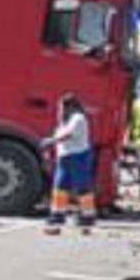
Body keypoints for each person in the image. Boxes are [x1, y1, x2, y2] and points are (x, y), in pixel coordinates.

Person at [41, 93, 95, 235]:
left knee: (82, 187)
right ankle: (57, 215)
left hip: (78, 156)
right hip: (65, 158)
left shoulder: (78, 118)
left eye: (62, 107)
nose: (60, 111)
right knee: (60, 187)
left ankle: (87, 216)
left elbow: (68, 135)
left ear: (70, 107)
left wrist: (51, 140)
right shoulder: (64, 122)